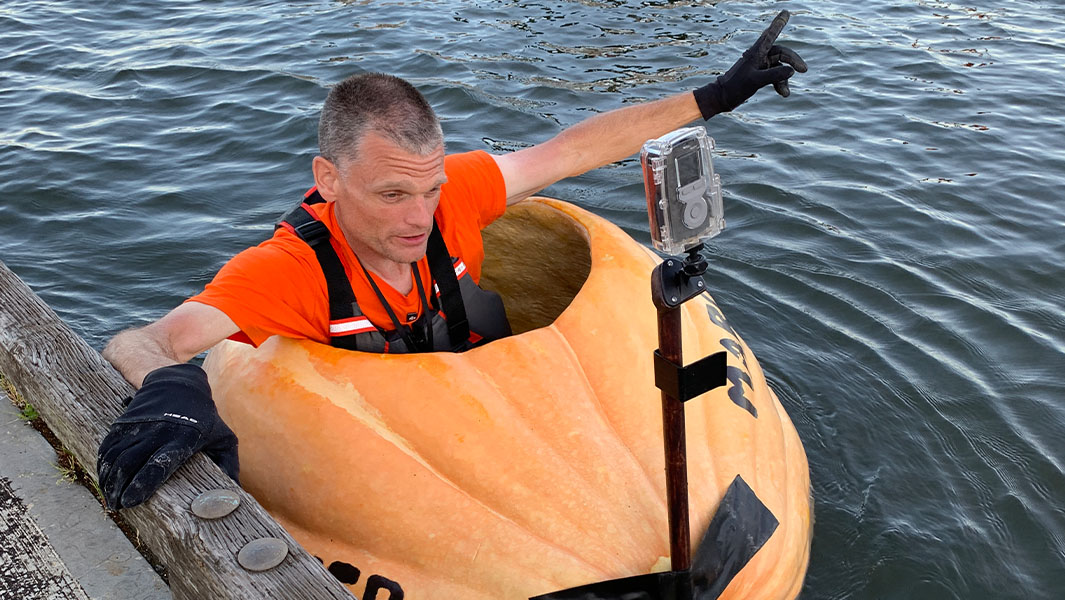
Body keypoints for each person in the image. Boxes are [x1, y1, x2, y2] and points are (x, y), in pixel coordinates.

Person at [96, 11, 806, 511]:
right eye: (392, 193)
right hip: (394, 447)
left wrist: (712, 97)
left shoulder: (454, 193)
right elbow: (146, 339)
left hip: (481, 400)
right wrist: (171, 391)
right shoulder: (286, 271)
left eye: (430, 189)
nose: (418, 217)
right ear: (330, 178)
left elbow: (568, 151)